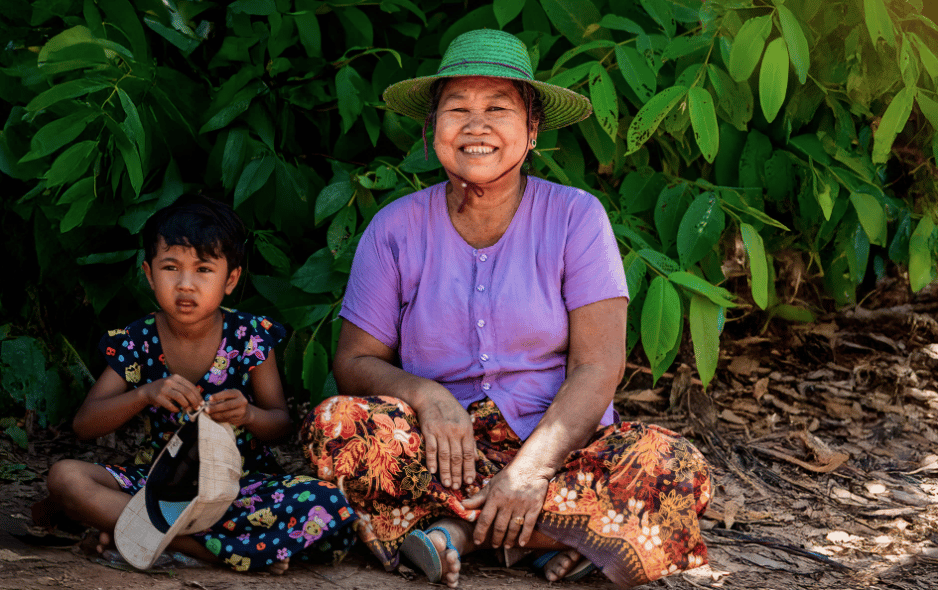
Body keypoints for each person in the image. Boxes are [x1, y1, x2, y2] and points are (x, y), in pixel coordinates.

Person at [301, 29, 712, 589]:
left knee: (671, 466)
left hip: (559, 447)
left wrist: (531, 470)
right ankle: (562, 537)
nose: (476, 126)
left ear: (533, 130)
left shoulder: (576, 218)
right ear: (431, 129)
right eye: (457, 110)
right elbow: (354, 361)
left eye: (498, 108)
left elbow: (598, 367)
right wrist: (427, 396)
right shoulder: (394, 227)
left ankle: (458, 534)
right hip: (438, 452)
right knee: (336, 425)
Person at [33, 196, 358, 572]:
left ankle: (143, 537)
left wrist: (249, 413)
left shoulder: (248, 337)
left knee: (326, 501)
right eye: (171, 267)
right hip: (159, 483)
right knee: (66, 477)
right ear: (149, 274)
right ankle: (214, 552)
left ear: (230, 279)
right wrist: (144, 394)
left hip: (240, 486)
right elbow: (85, 424)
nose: (186, 285)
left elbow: (280, 426)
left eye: (204, 269)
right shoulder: (137, 340)